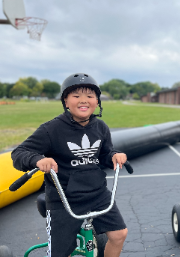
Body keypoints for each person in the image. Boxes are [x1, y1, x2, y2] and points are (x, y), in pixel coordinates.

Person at [11, 73, 128, 257]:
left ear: (97, 101)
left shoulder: (101, 127)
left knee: (119, 234)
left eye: (90, 96)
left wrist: (113, 156)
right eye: (76, 96)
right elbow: (18, 154)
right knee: (59, 253)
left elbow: (104, 154)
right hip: (64, 199)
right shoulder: (51, 129)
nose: (84, 100)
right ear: (66, 101)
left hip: (97, 194)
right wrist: (38, 159)